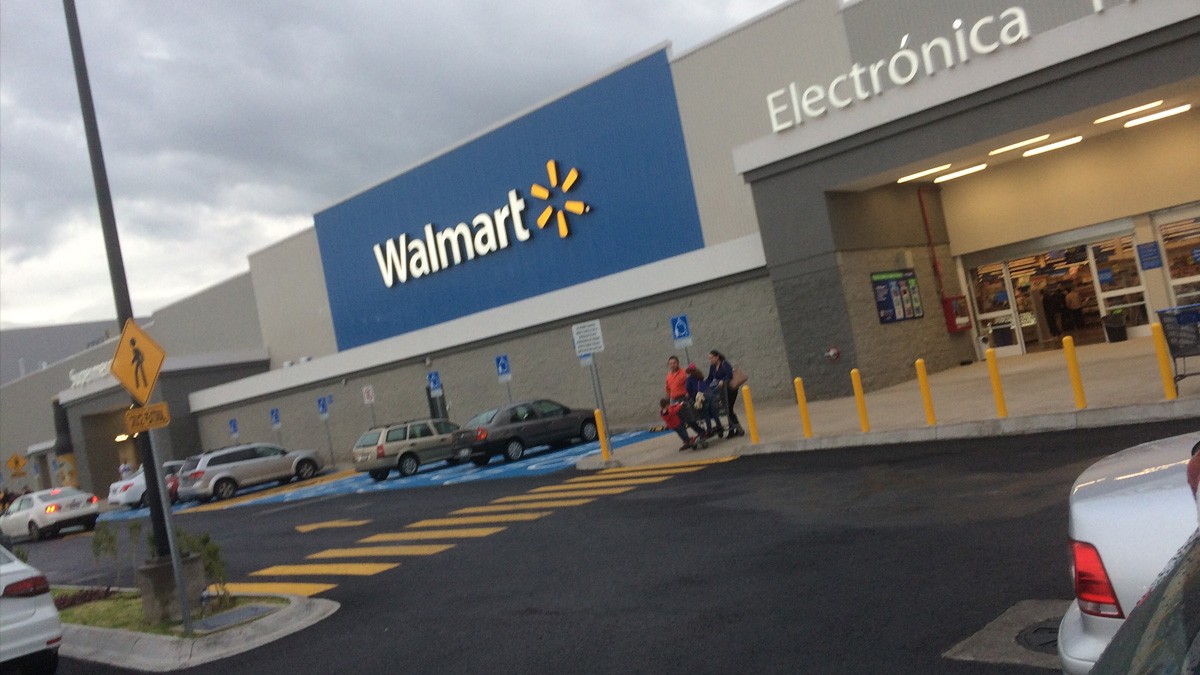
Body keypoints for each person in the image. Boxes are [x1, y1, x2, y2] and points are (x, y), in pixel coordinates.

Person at [665, 356, 705, 440]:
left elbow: (692, 383)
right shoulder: (668, 376)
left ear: (678, 363)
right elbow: (668, 390)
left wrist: (689, 393)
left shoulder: (684, 372)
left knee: (690, 419)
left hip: (684, 399)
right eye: (670, 364)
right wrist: (667, 403)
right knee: (678, 422)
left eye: (674, 363)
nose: (672, 365)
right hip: (674, 401)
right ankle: (686, 440)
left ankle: (701, 432)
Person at [706, 350, 744, 437]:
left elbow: (729, 375)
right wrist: (702, 385)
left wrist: (723, 380)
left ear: (717, 357)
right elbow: (710, 378)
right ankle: (736, 429)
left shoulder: (724, 364)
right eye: (709, 358)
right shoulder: (712, 367)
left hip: (730, 390)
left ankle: (735, 429)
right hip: (722, 392)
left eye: (712, 358)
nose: (710, 360)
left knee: (729, 409)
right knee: (728, 410)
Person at [686, 363, 723, 438]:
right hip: (710, 394)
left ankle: (709, 430)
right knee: (713, 412)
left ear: (689, 372)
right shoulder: (700, 376)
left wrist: (693, 398)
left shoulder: (689, 379)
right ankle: (719, 427)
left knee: (706, 414)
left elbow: (689, 389)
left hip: (702, 397)